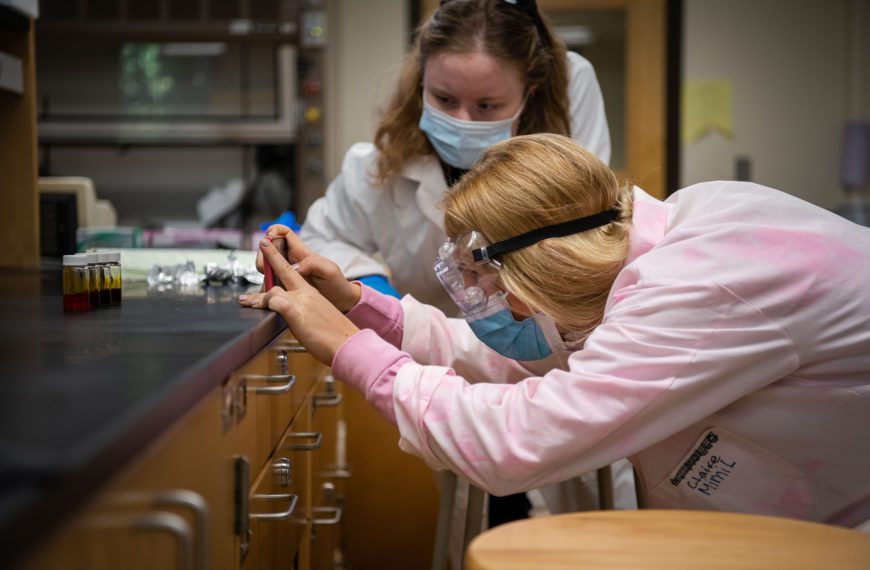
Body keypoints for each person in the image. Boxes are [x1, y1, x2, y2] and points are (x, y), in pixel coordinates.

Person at [241, 133, 870, 530]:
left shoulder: (701, 285)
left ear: (544, 262)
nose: (486, 304)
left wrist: (350, 350)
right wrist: (359, 305)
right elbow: (525, 368)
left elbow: (515, 441)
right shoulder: (663, 239)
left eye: (485, 279)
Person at [300, 0, 610, 312]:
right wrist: (374, 295)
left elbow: (584, 242)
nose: (463, 120)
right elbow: (322, 240)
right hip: (414, 348)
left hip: (537, 350)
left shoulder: (565, 156)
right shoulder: (382, 168)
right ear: (422, 83)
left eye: (487, 106)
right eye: (445, 99)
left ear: (528, 95)